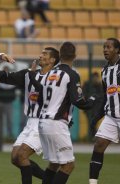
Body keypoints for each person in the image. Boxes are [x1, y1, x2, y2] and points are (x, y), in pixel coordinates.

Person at [0, 47, 60, 184]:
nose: (40, 55)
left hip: (44, 122)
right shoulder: (28, 74)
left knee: (22, 155)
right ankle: (51, 180)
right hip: (30, 122)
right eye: (41, 53)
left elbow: (47, 93)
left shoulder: (56, 78)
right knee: (15, 158)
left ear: (52, 60)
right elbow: (11, 77)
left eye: (44, 54)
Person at [38, 42, 97, 184]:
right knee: (68, 165)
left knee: (54, 164)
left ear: (60, 56)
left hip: (43, 122)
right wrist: (94, 99)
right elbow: (78, 101)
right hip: (56, 123)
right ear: (75, 56)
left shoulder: (49, 73)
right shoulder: (72, 74)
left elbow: (40, 98)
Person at [89, 38, 120, 184]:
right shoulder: (104, 70)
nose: (105, 49)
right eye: (104, 47)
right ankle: (92, 182)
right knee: (99, 144)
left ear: (117, 50)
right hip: (111, 117)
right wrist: (96, 118)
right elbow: (105, 96)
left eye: (109, 47)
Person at [0, 65, 16, 139]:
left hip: (9, 102)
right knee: (0, 119)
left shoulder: (12, 80)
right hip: (0, 102)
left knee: (9, 120)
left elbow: (13, 91)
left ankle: (9, 135)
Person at [82, 72, 103, 140]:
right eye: (93, 77)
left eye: (96, 77)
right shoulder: (87, 84)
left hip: (97, 108)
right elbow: (83, 94)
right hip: (88, 107)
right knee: (90, 122)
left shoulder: (100, 85)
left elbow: (102, 96)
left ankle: (93, 136)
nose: (94, 79)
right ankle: (93, 136)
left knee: (94, 122)